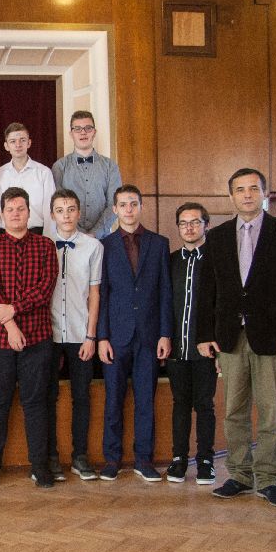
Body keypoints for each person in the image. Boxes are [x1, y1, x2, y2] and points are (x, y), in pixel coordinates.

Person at [198, 168, 276, 508]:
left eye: (253, 188)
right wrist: (204, 335)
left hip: (275, 339)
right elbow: (207, 291)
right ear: (231, 195)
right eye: (240, 189)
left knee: (271, 413)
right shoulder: (216, 237)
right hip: (230, 339)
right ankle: (240, 476)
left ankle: (270, 479)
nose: (246, 194)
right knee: (234, 411)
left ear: (264, 193)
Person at [0, 187, 59, 488]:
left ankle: (39, 466)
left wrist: (14, 309)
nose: (15, 213)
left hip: (37, 337)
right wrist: (11, 325)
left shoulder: (45, 245)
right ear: (2, 214)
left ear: (29, 212)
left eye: (21, 208)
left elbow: (45, 288)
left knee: (36, 402)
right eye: (10, 209)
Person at [97, 184, 172, 482]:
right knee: (113, 400)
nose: (128, 209)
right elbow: (102, 295)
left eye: (133, 204)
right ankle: (112, 459)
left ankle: (144, 459)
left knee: (145, 401)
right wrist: (102, 337)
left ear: (141, 207)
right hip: (116, 336)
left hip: (149, 336)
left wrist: (165, 333)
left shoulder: (159, 243)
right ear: (115, 209)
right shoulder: (104, 246)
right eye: (123, 204)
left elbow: (165, 292)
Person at [47, 189, 102, 482]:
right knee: (48, 395)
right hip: (49, 333)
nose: (66, 215)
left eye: (71, 209)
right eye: (60, 210)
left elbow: (94, 293)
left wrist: (91, 336)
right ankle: (51, 456)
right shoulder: (43, 245)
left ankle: (80, 456)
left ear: (79, 213)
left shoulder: (93, 246)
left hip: (81, 333)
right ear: (52, 214)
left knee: (82, 396)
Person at [166, 202, 217, 485]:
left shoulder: (217, 259)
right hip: (177, 347)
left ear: (206, 225)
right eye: (184, 223)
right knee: (180, 404)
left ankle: (206, 461)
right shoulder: (171, 260)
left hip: (204, 348)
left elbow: (222, 305)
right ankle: (179, 459)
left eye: (195, 222)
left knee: (205, 405)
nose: (189, 228)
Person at [51, 110, 122, 239]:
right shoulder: (59, 167)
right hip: (69, 238)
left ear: (94, 132)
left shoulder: (110, 166)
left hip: (102, 238)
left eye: (88, 128)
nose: (83, 132)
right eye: (77, 129)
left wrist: (95, 233)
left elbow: (114, 204)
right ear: (71, 134)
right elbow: (58, 205)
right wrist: (77, 233)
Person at [0, 123, 55, 236]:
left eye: (22, 140)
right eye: (13, 141)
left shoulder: (44, 173)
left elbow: (49, 210)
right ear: (6, 146)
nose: (18, 145)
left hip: (37, 234)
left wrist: (49, 239)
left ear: (29, 143)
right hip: (5, 235)